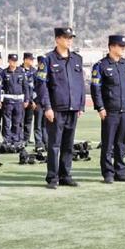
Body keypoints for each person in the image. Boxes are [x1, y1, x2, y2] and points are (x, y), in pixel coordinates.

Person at [36, 26, 85, 189]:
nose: (69, 41)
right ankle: (52, 177)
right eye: (66, 38)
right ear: (57, 39)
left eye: (71, 38)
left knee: (68, 145)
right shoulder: (48, 59)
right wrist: (47, 107)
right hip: (56, 109)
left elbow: (80, 83)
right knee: (54, 145)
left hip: (72, 108)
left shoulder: (77, 59)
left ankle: (65, 175)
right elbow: (42, 85)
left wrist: (81, 105)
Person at [91, 35, 125, 184]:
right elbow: (95, 88)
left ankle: (120, 171)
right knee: (108, 143)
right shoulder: (101, 66)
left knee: (121, 143)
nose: (123, 48)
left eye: (124, 46)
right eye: (120, 46)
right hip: (110, 111)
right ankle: (108, 173)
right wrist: (100, 107)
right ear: (111, 47)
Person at [0, 54, 30, 145]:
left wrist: (27, 100)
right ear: (8, 61)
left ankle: (16, 139)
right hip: (8, 101)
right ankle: (7, 140)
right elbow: (0, 87)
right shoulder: (4, 72)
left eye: (15, 61)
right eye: (12, 61)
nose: (13, 63)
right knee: (6, 122)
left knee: (17, 121)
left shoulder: (21, 72)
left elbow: (26, 87)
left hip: (19, 102)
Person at [21, 53, 44, 149]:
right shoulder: (19, 70)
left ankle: (26, 138)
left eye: (32, 59)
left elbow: (35, 87)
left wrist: (32, 100)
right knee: (20, 121)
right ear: (25, 60)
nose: (32, 61)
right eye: (30, 59)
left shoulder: (34, 71)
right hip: (22, 100)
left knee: (28, 121)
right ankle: (20, 138)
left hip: (32, 100)